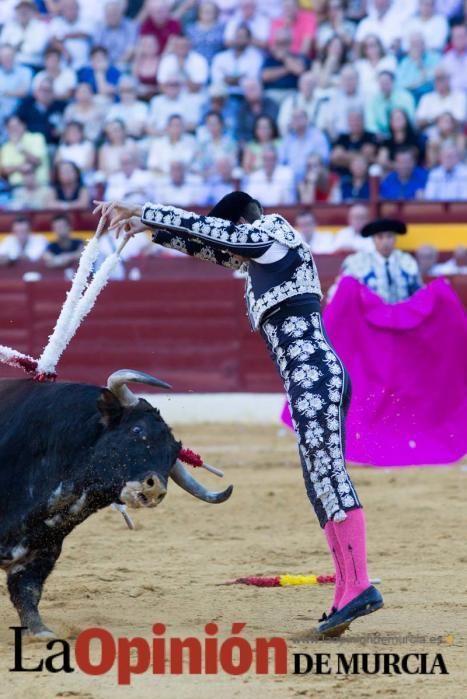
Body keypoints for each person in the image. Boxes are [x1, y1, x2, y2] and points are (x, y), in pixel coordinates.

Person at [94, 191, 384, 638]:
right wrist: (150, 231)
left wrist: (148, 210)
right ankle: (347, 593)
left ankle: (360, 583)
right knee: (318, 483)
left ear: (243, 222)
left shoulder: (273, 231)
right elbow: (207, 246)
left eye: (232, 232)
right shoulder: (260, 263)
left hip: (315, 377)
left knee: (329, 477)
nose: (229, 249)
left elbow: (220, 236)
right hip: (308, 380)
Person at [341, 218, 422, 302]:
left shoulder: (407, 261)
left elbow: (418, 294)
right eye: (380, 237)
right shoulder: (357, 262)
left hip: (403, 313)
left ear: (395, 238)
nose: (385, 242)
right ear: (373, 239)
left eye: (389, 236)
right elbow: (345, 295)